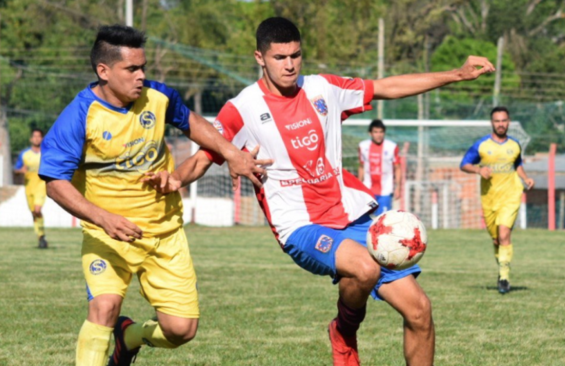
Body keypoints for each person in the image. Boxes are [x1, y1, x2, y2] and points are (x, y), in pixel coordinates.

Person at [144, 17, 495, 366]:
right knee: (364, 269)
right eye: (280, 57)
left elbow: (387, 86)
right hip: (300, 225)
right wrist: (176, 179)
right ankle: (344, 331)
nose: (290, 65)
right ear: (259, 57)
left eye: (295, 55)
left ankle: (346, 328)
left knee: (420, 311)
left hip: (354, 214)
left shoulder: (323, 88)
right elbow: (206, 154)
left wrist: (456, 75)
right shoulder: (243, 108)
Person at [39, 25, 267, 366]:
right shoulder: (79, 116)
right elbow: (54, 182)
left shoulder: (157, 98)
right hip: (107, 235)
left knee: (181, 330)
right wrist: (105, 220)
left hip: (164, 234)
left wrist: (233, 154)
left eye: (143, 67)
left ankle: (128, 338)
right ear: (103, 71)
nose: (141, 76)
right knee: (104, 308)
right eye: (132, 69)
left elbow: (194, 124)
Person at [460, 106, 534, 294]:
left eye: (504, 120)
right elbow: (464, 164)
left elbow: (517, 164)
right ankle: (502, 268)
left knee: (504, 235)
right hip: (489, 198)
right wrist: (479, 170)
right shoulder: (482, 145)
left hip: (511, 195)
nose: (501, 124)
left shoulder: (515, 145)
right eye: (497, 121)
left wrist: (525, 178)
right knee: (496, 240)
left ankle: (504, 277)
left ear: (509, 122)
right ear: (492, 123)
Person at [358, 119, 401, 215]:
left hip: (385, 190)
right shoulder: (363, 146)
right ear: (370, 133)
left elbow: (398, 167)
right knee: (367, 219)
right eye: (376, 132)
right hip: (368, 189)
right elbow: (361, 166)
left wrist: (398, 187)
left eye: (381, 132)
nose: (379, 135)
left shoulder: (392, 147)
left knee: (383, 220)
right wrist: (359, 186)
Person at [14, 128, 49, 248]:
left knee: (38, 209)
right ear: (31, 139)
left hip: (41, 185)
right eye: (34, 136)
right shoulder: (24, 154)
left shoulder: (46, 153)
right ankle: (41, 236)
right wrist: (20, 171)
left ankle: (42, 237)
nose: (36, 138)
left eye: (39, 136)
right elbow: (16, 170)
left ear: (42, 138)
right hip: (29, 186)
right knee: (34, 212)